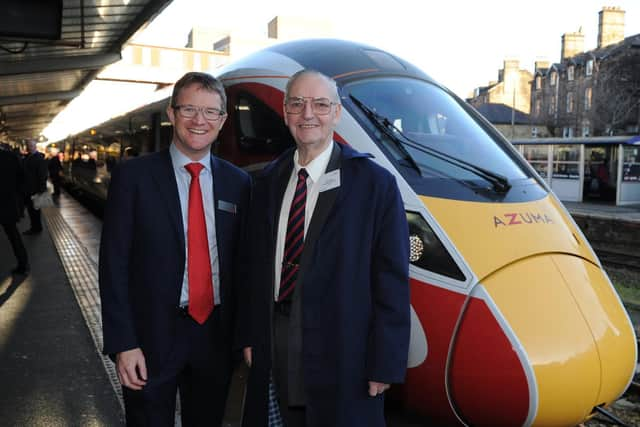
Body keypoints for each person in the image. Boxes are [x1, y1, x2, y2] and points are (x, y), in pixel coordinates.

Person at [237, 70, 410, 427]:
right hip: (277, 340)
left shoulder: (374, 185)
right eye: (297, 104)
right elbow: (253, 269)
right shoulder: (267, 181)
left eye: (320, 104)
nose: (308, 114)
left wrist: (385, 361)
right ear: (285, 113)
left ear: (336, 113)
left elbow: (391, 280)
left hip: (346, 350)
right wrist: (251, 335)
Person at [99, 71, 251, 426]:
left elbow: (245, 267)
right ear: (171, 114)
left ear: (223, 120)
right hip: (150, 339)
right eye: (189, 109)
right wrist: (124, 343)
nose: (200, 121)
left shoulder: (239, 183)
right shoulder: (133, 177)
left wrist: (247, 336)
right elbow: (114, 265)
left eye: (211, 112)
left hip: (215, 336)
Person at [0, 145, 29, 275]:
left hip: (7, 202)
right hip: (8, 203)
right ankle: (23, 264)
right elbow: (22, 178)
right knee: (13, 235)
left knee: (13, 235)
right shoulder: (11, 157)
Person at [22, 139, 48, 235]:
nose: (29, 148)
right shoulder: (28, 157)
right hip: (29, 189)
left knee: (35, 210)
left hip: (36, 190)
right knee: (32, 210)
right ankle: (35, 227)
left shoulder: (39, 158)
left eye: (31, 146)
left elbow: (43, 175)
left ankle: (36, 228)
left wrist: (40, 191)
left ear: (35, 147)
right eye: (28, 146)